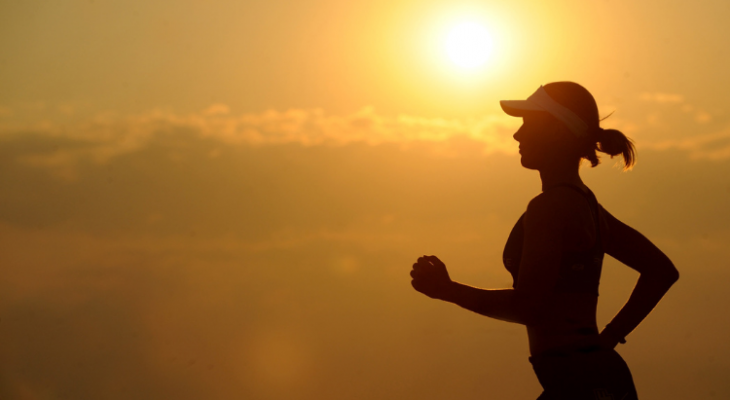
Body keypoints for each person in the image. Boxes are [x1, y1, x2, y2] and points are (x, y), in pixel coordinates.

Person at [409, 82, 679, 400]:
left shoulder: (551, 207)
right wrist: (608, 339)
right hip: (586, 377)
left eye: (527, 124)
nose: (517, 135)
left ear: (555, 132)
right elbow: (661, 271)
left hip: (581, 382)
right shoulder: (586, 204)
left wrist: (448, 291)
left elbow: (530, 307)